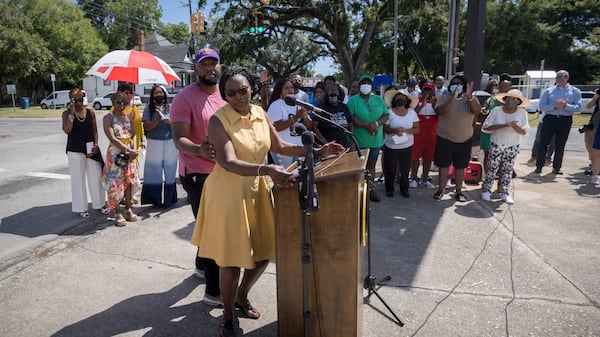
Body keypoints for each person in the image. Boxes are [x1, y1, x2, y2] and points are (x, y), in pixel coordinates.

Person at [192, 66, 344, 337]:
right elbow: (227, 161)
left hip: (257, 189)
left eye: (243, 90)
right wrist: (269, 170)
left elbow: (280, 147)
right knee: (231, 260)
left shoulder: (261, 114)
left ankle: (241, 295)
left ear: (251, 88)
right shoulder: (218, 120)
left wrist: (317, 150)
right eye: (230, 93)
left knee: (263, 253)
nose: (238, 97)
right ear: (224, 96)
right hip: (228, 194)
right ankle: (227, 317)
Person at [170, 47, 225, 306]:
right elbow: (179, 139)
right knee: (214, 231)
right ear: (196, 68)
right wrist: (200, 150)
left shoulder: (226, 94)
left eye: (213, 63)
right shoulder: (184, 98)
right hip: (197, 175)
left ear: (220, 66)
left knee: (208, 226)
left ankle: (201, 265)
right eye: (204, 64)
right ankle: (214, 291)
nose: (209, 68)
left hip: (224, 172)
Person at [432, 75, 480, 202]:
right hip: (445, 138)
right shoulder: (444, 97)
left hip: (464, 139)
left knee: (460, 167)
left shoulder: (470, 98)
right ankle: (441, 190)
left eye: (459, 83)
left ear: (464, 86)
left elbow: (476, 111)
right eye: (454, 83)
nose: (457, 85)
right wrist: (453, 98)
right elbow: (439, 111)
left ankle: (458, 191)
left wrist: (470, 97)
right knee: (443, 166)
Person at [62, 88, 108, 218]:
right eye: (75, 100)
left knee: (96, 178)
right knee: (78, 180)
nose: (78, 102)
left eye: (81, 99)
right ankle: (81, 208)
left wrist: (96, 144)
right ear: (70, 100)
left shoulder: (90, 113)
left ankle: (100, 204)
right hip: (75, 150)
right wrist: (71, 112)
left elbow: (94, 131)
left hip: (91, 150)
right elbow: (67, 130)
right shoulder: (66, 114)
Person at [481, 89, 530, 204]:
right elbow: (486, 127)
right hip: (496, 143)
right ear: (505, 99)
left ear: (518, 102)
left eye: (514, 99)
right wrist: (503, 125)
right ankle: (486, 190)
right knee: (492, 168)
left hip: (512, 145)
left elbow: (524, 132)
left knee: (507, 170)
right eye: (509, 98)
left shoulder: (522, 113)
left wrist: (514, 127)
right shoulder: (496, 111)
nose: (511, 101)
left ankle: (505, 192)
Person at [101, 92, 142, 226]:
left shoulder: (127, 117)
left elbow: (134, 134)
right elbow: (112, 138)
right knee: (115, 183)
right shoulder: (108, 117)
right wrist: (127, 149)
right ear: (112, 102)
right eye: (118, 102)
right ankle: (117, 211)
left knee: (128, 181)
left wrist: (134, 149)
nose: (121, 105)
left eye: (124, 102)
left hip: (129, 154)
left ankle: (128, 209)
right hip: (116, 154)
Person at [347, 74, 389, 202]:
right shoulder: (353, 100)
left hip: (375, 140)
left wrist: (375, 124)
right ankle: (358, 191)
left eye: (368, 83)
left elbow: (385, 115)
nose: (366, 85)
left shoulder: (378, 99)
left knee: (372, 164)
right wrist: (366, 125)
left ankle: (370, 190)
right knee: (359, 166)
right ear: (359, 86)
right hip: (360, 140)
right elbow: (351, 118)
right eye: (363, 83)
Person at [534, 70, 582, 175]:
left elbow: (578, 107)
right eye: (558, 76)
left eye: (563, 76)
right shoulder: (548, 91)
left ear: (568, 78)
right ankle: (539, 166)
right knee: (543, 143)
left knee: (560, 144)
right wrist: (554, 106)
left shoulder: (575, 91)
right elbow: (541, 106)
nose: (560, 78)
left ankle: (557, 167)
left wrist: (566, 106)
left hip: (565, 120)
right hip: (550, 118)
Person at [140, 85, 177, 208]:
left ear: (165, 94)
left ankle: (169, 200)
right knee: (154, 172)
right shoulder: (148, 109)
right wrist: (157, 119)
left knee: (170, 171)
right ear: (152, 95)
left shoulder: (171, 107)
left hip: (170, 142)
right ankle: (155, 200)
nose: (158, 95)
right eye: (156, 93)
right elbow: (147, 127)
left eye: (160, 92)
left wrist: (171, 122)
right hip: (154, 143)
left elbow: (178, 124)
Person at [382, 89, 420, 197]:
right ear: (394, 100)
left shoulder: (411, 112)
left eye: (403, 98)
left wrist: (405, 131)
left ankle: (404, 189)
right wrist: (395, 130)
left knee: (405, 168)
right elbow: (385, 128)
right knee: (390, 168)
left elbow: (417, 129)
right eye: (398, 98)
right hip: (391, 145)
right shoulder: (389, 112)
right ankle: (389, 189)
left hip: (406, 145)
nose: (400, 100)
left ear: (407, 100)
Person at [266, 78, 311, 168]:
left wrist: (305, 116)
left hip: (299, 146)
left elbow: (309, 126)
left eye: (291, 87)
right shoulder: (276, 104)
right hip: (283, 148)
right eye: (286, 88)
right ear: (280, 91)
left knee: (299, 177)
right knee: (286, 177)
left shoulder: (298, 104)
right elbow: (275, 127)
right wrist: (296, 117)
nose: (290, 90)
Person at [116, 83, 144, 205]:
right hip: (122, 147)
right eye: (125, 92)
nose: (128, 95)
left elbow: (139, 126)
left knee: (133, 172)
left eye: (130, 92)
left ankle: (130, 196)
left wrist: (142, 139)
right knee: (122, 174)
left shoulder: (135, 109)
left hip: (135, 145)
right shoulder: (116, 109)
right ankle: (122, 197)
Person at [410, 81, 438, 189]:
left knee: (428, 159)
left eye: (429, 90)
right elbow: (412, 114)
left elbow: (441, 113)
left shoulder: (437, 102)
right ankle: (413, 178)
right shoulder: (417, 101)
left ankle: (425, 178)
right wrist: (422, 105)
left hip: (431, 136)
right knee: (415, 158)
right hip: (418, 136)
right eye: (425, 89)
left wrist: (435, 104)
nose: (427, 92)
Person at [312, 83, 354, 148]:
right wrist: (324, 142)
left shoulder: (344, 107)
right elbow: (314, 126)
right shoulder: (321, 108)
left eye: (335, 91)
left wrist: (351, 140)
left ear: (339, 93)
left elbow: (350, 124)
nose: (333, 93)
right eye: (330, 91)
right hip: (327, 145)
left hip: (343, 145)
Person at [583, 88, 600, 175]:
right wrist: (596, 97)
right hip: (595, 122)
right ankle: (593, 165)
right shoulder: (598, 92)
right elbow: (588, 106)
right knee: (590, 144)